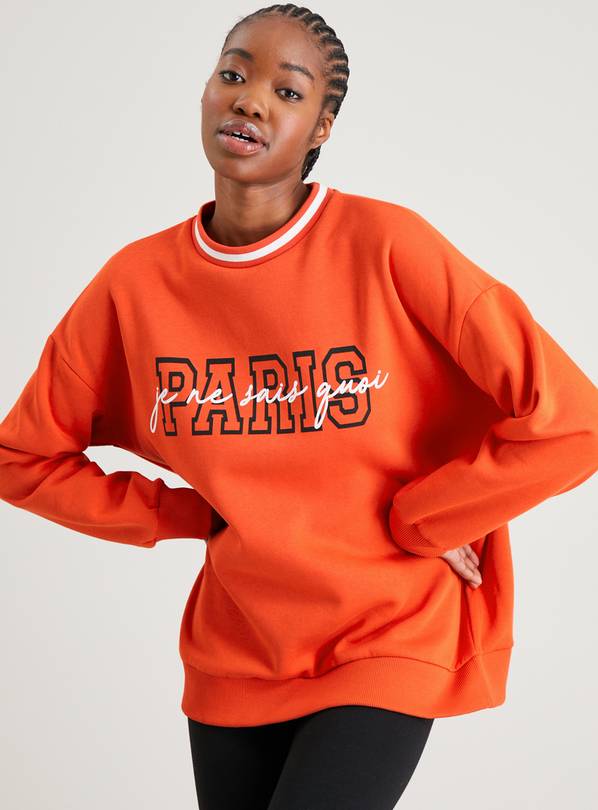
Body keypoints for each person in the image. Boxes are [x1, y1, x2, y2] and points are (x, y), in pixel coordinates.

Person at [1, 4, 597, 809]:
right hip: (238, 648)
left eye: (287, 91)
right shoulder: (134, 287)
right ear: (205, 93)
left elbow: (573, 422)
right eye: (233, 74)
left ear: (321, 128)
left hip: (386, 630)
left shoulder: (389, 246)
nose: (250, 100)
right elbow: (22, 457)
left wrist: (429, 517)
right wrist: (183, 513)